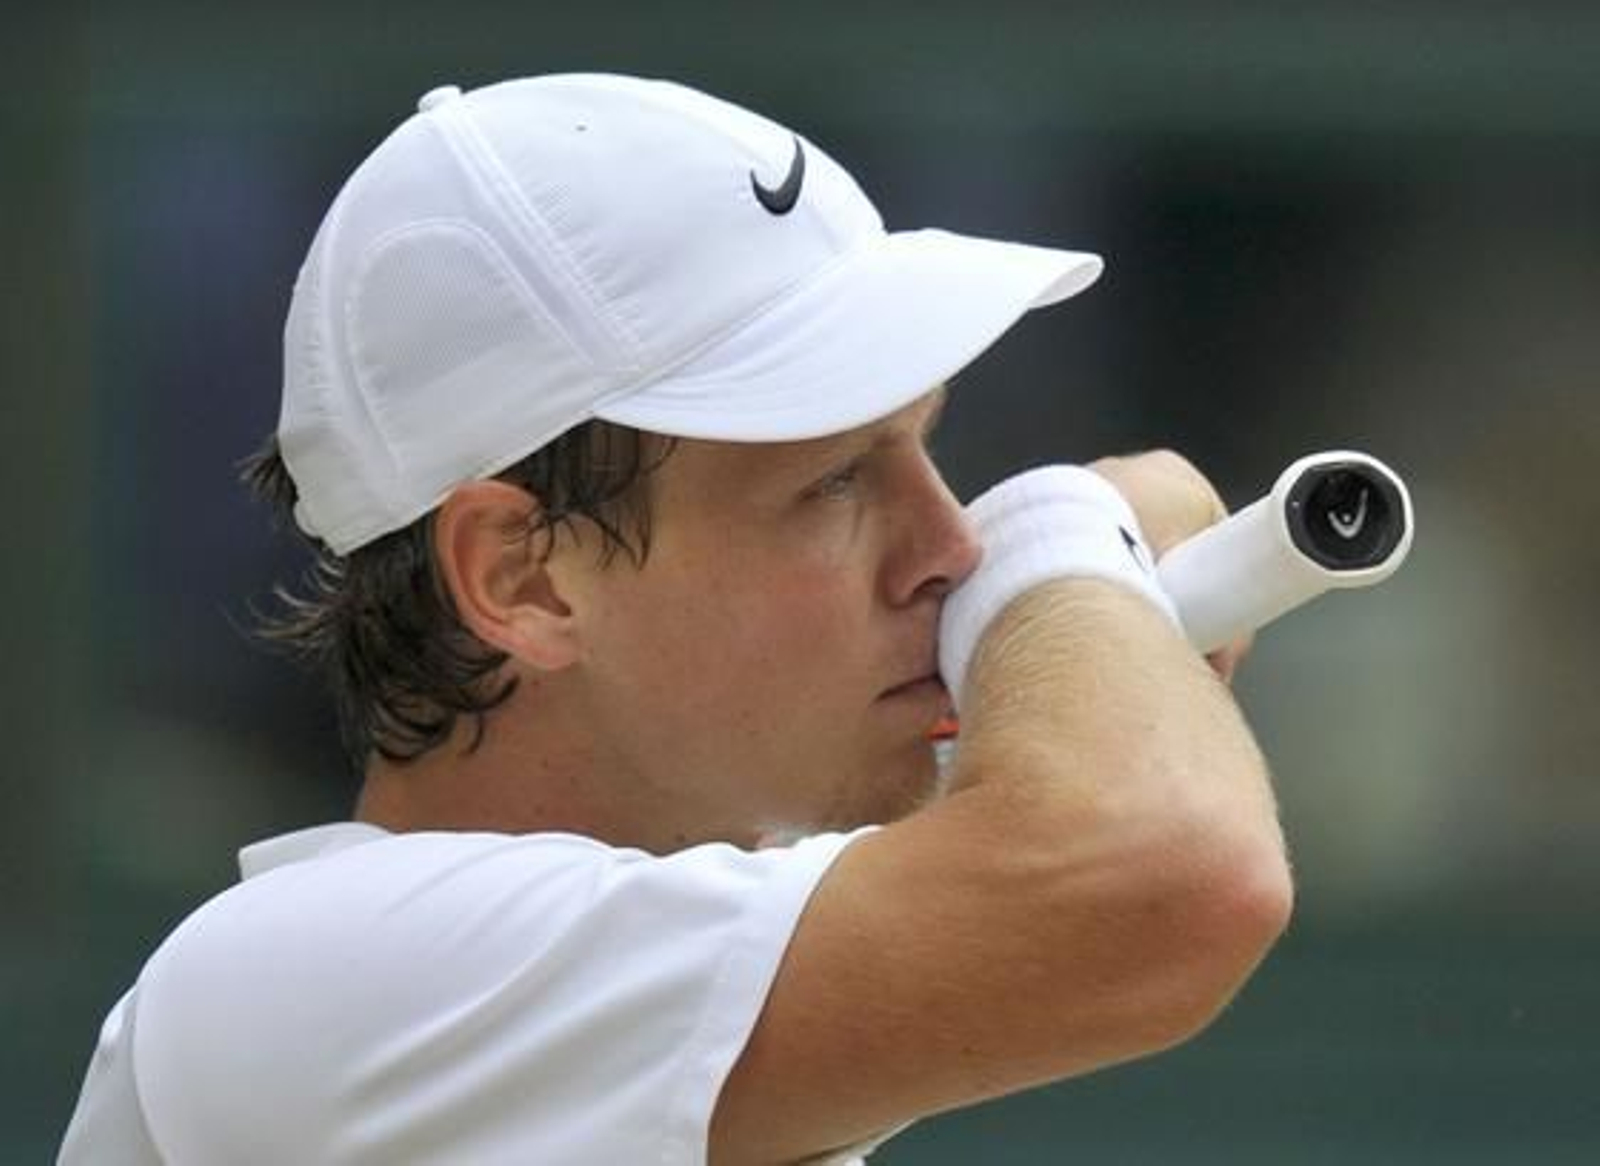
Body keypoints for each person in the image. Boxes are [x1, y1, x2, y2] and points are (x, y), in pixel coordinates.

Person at [59, 73, 1292, 1165]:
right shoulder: (315, 975)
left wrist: (1091, 625)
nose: (950, 544)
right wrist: (1065, 535)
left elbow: (1130, 849)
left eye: (921, 445)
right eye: (834, 480)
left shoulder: (564, 967)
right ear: (523, 577)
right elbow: (1167, 875)